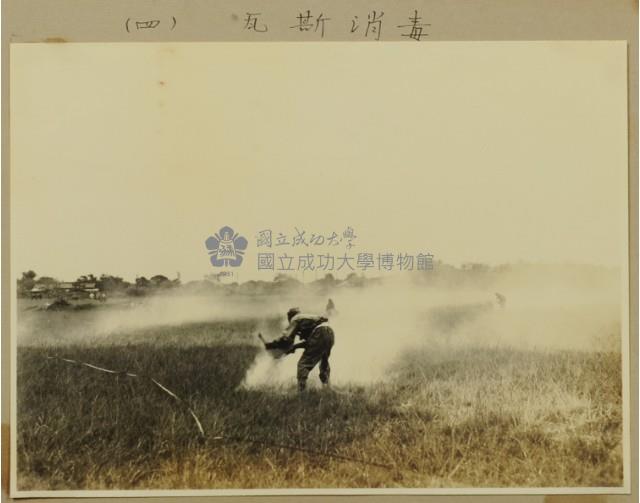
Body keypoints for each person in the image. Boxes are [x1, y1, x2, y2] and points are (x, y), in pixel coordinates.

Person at [269, 307, 335, 391]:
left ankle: (301, 392)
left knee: (302, 364)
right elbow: (311, 343)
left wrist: (274, 345)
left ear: (290, 316)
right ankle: (327, 388)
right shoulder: (308, 320)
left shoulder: (295, 318)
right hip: (330, 333)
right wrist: (294, 347)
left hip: (319, 333)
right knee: (323, 361)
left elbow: (285, 337)